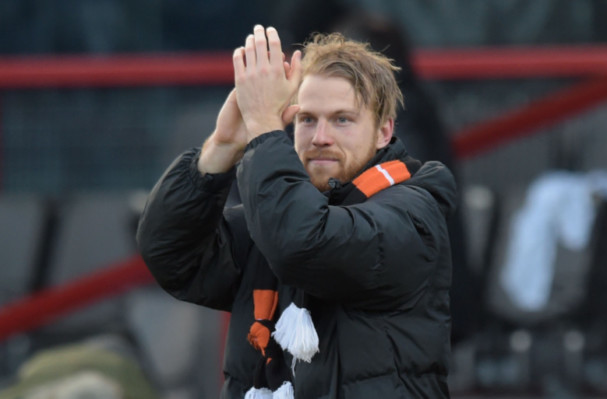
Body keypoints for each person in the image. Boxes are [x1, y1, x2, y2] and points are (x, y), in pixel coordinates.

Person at [137, 25, 456, 398]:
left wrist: (264, 129)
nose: (320, 136)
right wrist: (222, 147)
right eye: (306, 119)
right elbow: (171, 254)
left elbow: (304, 242)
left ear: (384, 132)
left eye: (342, 119)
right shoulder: (277, 215)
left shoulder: (413, 214)